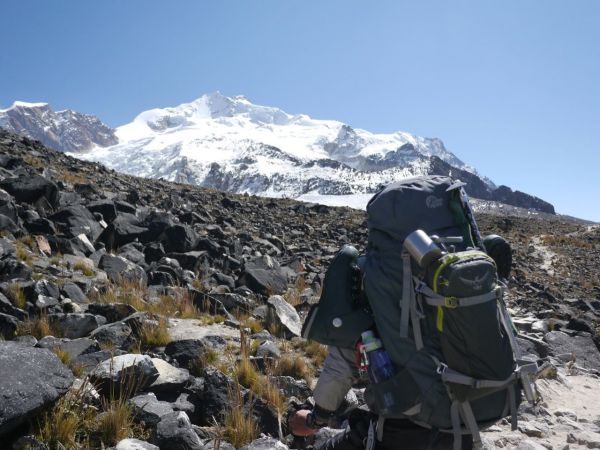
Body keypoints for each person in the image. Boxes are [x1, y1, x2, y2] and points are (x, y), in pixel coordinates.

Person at [289, 346, 475, 450]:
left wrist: (316, 419)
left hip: (401, 429)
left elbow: (342, 364)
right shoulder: (462, 282)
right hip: (463, 424)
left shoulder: (379, 281)